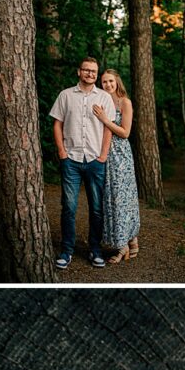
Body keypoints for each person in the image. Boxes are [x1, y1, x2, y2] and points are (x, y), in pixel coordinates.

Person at [48, 57, 116, 269]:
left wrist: (103, 155)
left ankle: (95, 250)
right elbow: (57, 124)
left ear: (97, 74)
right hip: (72, 160)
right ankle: (67, 251)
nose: (90, 74)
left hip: (96, 160)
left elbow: (108, 128)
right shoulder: (66, 95)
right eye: (86, 70)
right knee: (69, 207)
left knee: (96, 208)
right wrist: (62, 152)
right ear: (79, 72)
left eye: (94, 71)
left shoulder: (105, 98)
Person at [93, 70, 140, 264]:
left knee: (122, 198)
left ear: (117, 81)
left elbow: (125, 132)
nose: (108, 84)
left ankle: (122, 248)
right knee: (111, 198)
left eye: (111, 81)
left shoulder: (124, 102)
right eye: (104, 82)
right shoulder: (102, 101)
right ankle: (132, 240)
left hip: (120, 157)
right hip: (104, 153)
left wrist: (105, 119)